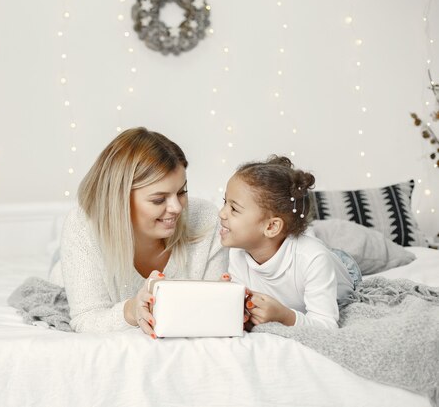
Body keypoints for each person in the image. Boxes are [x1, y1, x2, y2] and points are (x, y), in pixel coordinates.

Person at [60, 127, 228, 337]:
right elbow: (86, 316)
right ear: (119, 200)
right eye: (159, 199)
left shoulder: (207, 219)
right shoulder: (83, 227)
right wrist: (130, 311)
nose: (177, 208)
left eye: (182, 192)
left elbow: (214, 310)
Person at [218, 155, 354, 329]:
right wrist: (229, 300)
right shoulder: (238, 253)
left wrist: (285, 316)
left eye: (234, 209)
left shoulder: (313, 259)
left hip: (342, 270)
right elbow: (247, 311)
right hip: (295, 251)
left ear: (272, 226)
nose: (221, 213)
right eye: (224, 202)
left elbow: (326, 325)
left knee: (331, 242)